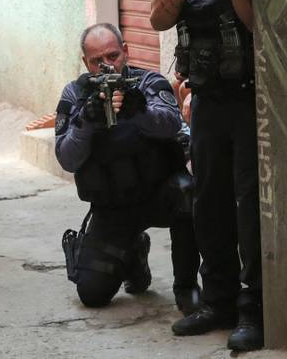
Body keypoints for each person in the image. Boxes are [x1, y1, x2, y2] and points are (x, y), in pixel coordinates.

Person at [148, 0, 262, 351]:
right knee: (208, 201)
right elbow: (158, 17)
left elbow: (258, 23)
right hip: (208, 101)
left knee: (249, 206)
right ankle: (217, 300)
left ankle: (254, 308)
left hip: (248, 98)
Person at [55, 23, 201, 317]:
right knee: (92, 293)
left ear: (126, 52)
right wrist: (86, 122)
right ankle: (134, 255)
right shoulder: (75, 94)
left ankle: (186, 286)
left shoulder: (147, 83)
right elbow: (67, 159)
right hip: (112, 206)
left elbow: (171, 123)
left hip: (158, 195)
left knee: (188, 194)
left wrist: (140, 113)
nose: (107, 66)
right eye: (97, 61)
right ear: (86, 62)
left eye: (112, 56)